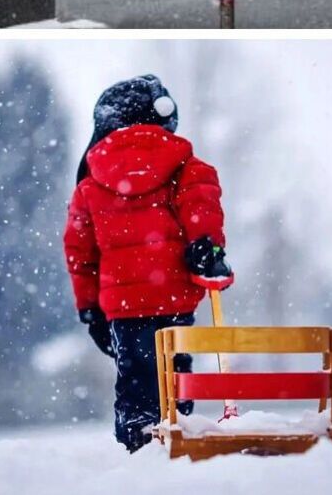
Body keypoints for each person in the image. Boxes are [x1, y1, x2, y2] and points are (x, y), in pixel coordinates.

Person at [63, 75, 235, 452]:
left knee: (136, 377)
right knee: (175, 373)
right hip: (174, 296)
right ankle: (180, 432)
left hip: (122, 307)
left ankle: (140, 441)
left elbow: (80, 254)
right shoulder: (187, 168)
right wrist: (208, 249)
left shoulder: (89, 186)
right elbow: (201, 208)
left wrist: (90, 309)